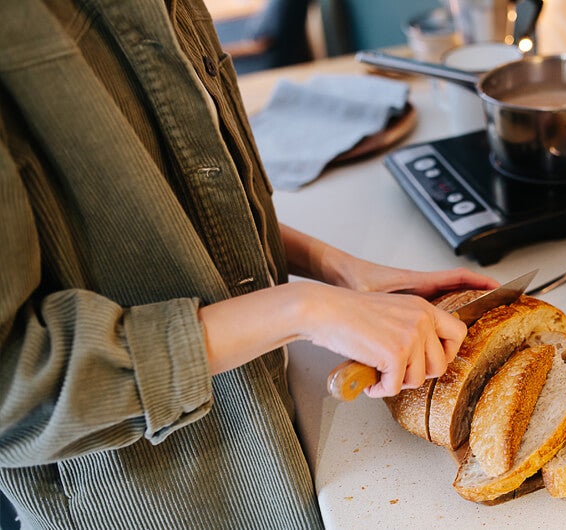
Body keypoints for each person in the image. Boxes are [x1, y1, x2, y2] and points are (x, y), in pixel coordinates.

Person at [0, 1, 497, 528]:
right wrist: (303, 308)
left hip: (275, 436)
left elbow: (172, 210)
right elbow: (13, 391)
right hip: (169, 498)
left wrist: (336, 269)